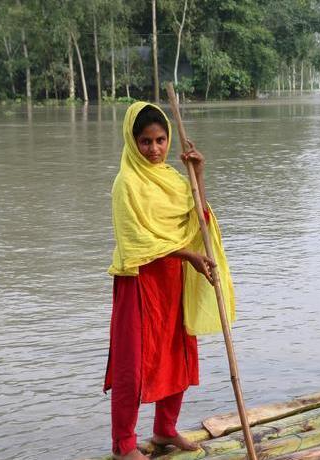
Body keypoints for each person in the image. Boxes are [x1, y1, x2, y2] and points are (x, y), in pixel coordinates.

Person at [103, 102, 235, 460]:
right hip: (140, 280)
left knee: (177, 354)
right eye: (145, 141)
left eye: (161, 140)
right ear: (132, 142)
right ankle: (124, 445)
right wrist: (188, 256)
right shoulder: (125, 183)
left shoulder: (175, 180)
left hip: (173, 279)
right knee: (134, 362)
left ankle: (164, 429)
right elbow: (135, 241)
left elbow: (199, 219)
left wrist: (198, 174)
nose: (154, 149)